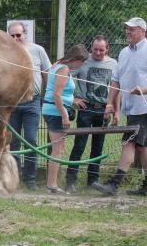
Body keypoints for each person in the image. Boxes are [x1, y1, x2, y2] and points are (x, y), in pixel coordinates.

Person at [93, 17, 147, 196]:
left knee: (129, 142)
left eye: (132, 29)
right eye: (127, 29)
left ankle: (114, 184)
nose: (127, 32)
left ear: (142, 31)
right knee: (142, 147)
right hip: (131, 108)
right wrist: (109, 103)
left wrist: (143, 90)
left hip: (145, 107)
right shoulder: (123, 52)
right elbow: (115, 80)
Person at [65, 35, 118, 193]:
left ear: (107, 49)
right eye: (95, 49)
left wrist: (116, 110)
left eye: (102, 50)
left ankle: (93, 180)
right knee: (79, 145)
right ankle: (71, 181)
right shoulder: (83, 62)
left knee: (98, 147)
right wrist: (72, 98)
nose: (98, 53)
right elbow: (64, 75)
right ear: (91, 48)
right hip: (86, 108)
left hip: (104, 110)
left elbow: (117, 87)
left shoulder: (114, 64)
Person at [8, 21, 52, 190]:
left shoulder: (37, 50)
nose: (15, 38)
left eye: (18, 35)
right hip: (12, 102)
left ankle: (30, 179)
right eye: (12, 35)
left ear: (25, 34)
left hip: (32, 102)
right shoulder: (5, 52)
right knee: (13, 142)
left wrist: (46, 97)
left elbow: (47, 74)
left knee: (31, 140)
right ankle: (15, 177)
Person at [42, 44, 88, 194]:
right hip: (55, 112)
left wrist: (71, 100)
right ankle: (52, 185)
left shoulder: (57, 64)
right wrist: (64, 115)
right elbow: (56, 94)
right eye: (82, 62)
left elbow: (54, 87)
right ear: (75, 59)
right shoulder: (64, 69)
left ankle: (51, 184)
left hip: (51, 110)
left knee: (58, 149)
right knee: (58, 150)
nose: (81, 65)